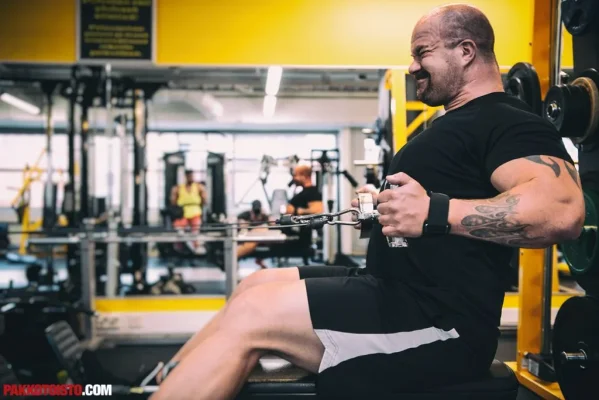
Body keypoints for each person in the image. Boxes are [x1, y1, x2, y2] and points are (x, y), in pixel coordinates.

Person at [151, 5, 585, 400]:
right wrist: (385, 210)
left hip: (440, 321)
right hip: (391, 284)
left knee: (254, 313)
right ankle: (159, 382)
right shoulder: (452, 123)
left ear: (466, 51)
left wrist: (433, 212)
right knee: (254, 286)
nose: (412, 66)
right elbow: (437, 205)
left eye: (422, 52)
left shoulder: (508, 121)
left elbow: (562, 210)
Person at [170, 170, 207, 249]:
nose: (191, 178)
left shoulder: (199, 187)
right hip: (183, 213)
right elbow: (173, 201)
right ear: (185, 177)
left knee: (195, 231)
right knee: (179, 230)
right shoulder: (179, 188)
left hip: (195, 212)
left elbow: (204, 200)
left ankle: (196, 247)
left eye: (192, 176)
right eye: (189, 176)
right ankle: (180, 247)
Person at [237, 200, 270, 268]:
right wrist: (247, 221)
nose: (256, 212)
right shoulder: (246, 214)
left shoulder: (263, 215)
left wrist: (263, 216)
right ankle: (235, 257)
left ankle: (260, 260)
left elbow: (269, 224)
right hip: (248, 238)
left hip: (259, 238)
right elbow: (239, 219)